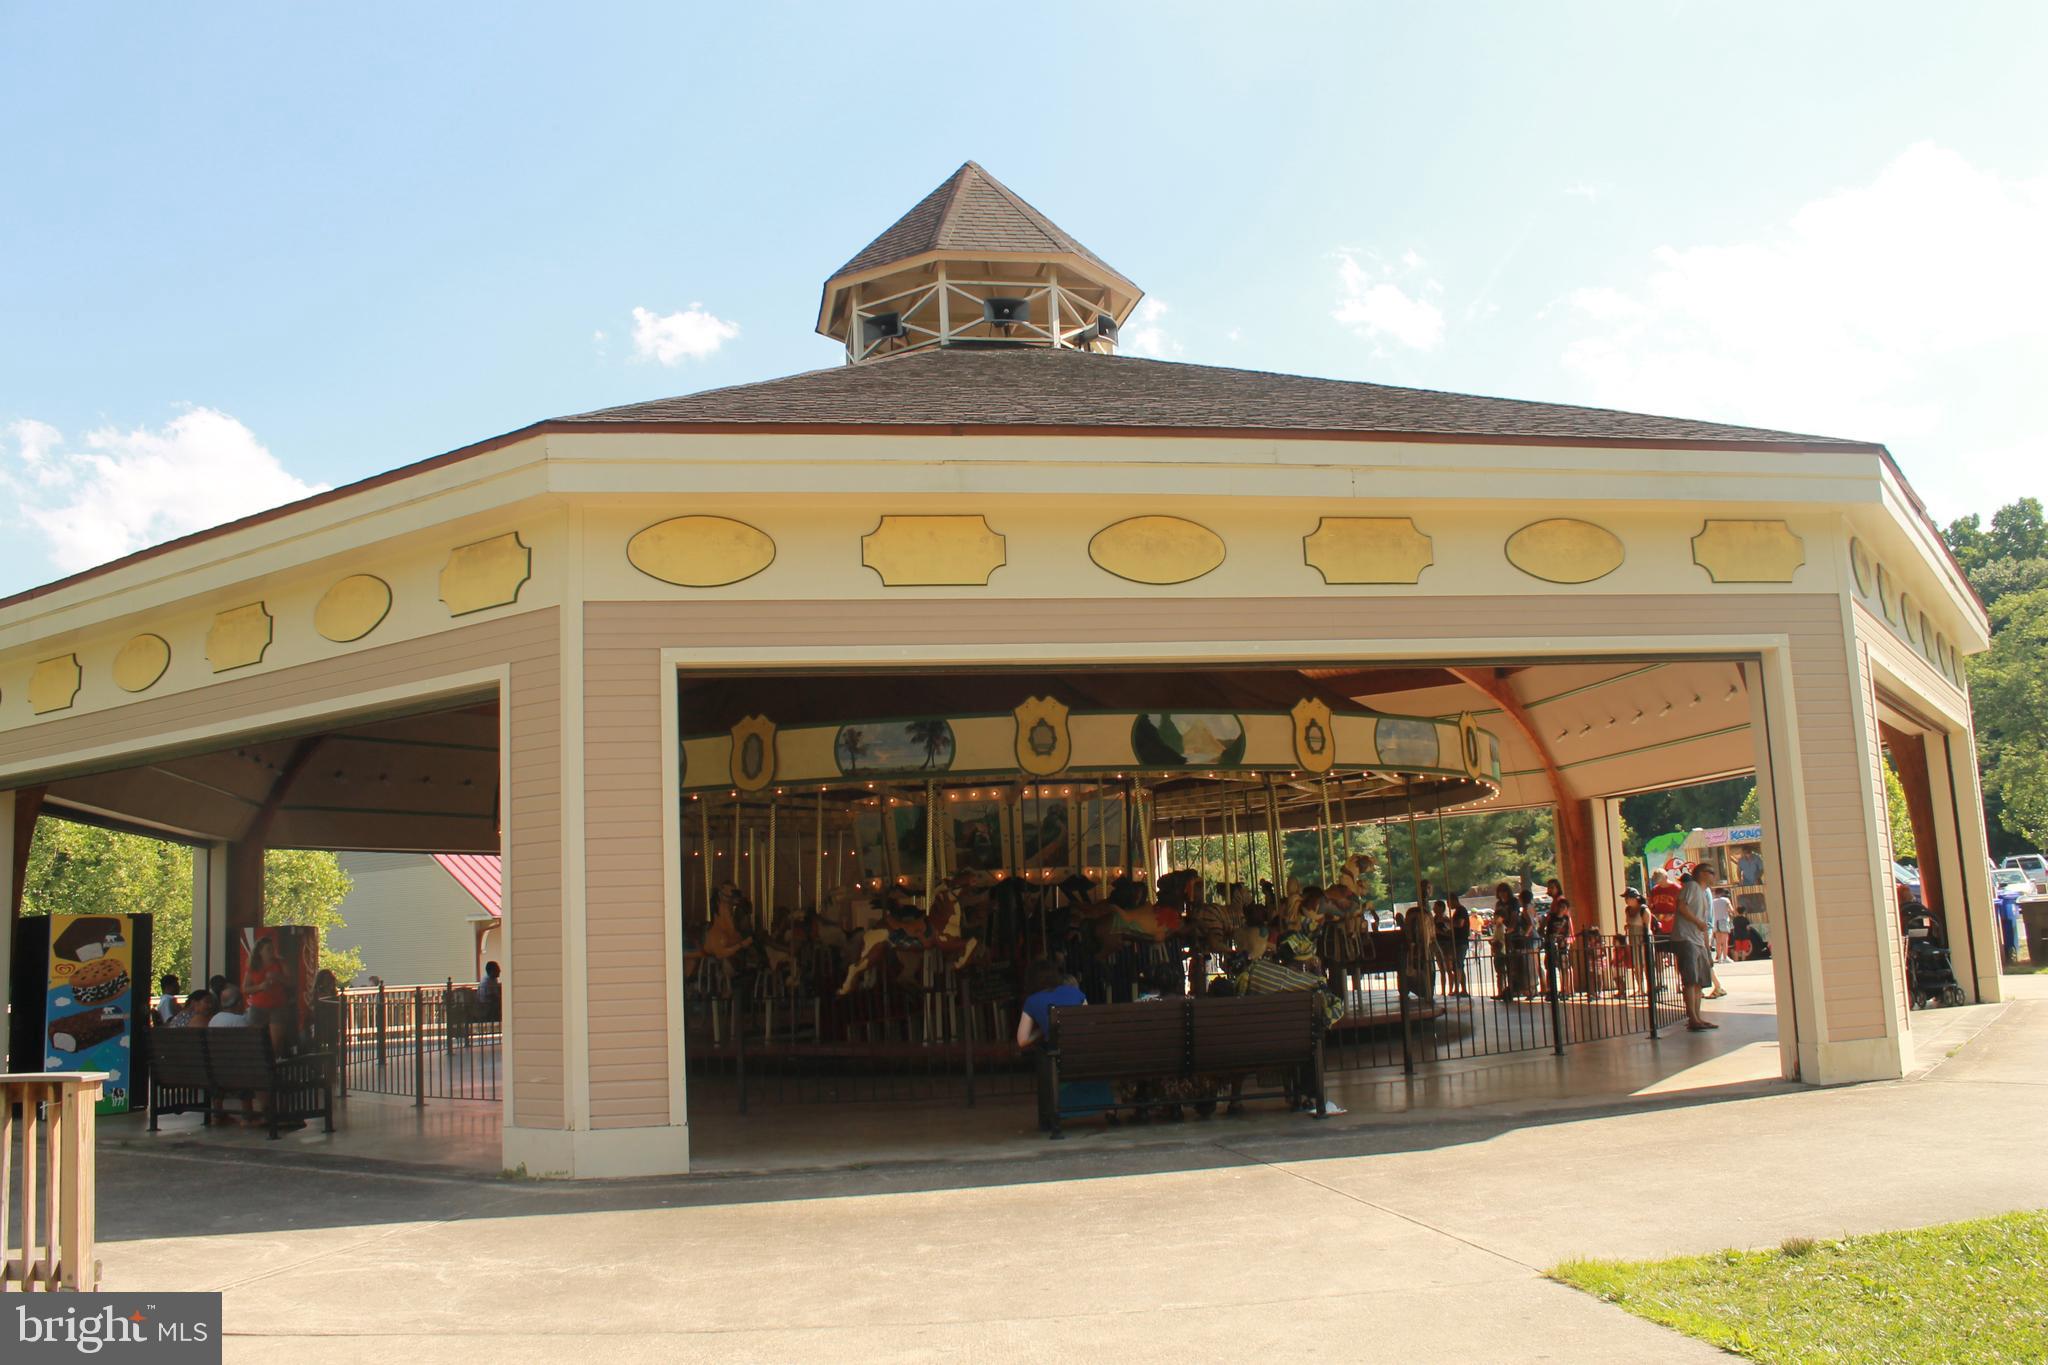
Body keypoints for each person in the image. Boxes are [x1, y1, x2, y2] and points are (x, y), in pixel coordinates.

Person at [1674, 862, 1720, 1031]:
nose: (1714, 876)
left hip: (1698, 940)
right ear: (1702, 873)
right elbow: (1681, 907)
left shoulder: (1702, 892)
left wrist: (1707, 949)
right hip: (1687, 938)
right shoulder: (1692, 887)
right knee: (1691, 980)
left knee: (1699, 981)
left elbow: (1705, 925)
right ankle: (1692, 1018)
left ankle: (1698, 1017)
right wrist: (1698, 923)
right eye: (1711, 872)